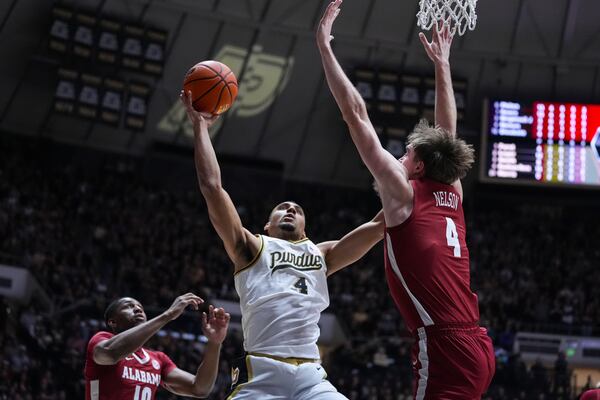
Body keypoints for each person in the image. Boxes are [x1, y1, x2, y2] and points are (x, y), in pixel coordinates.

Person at [316, 1, 494, 399]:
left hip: (445, 346)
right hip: (474, 341)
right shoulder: (453, 191)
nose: (398, 157)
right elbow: (447, 131)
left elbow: (356, 115)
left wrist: (325, 49)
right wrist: (442, 65)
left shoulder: (404, 195)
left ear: (415, 169)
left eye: (406, 154)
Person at [180, 90, 384, 399]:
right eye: (283, 207)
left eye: (297, 210)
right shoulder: (250, 246)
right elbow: (212, 187)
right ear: (266, 224)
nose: (290, 210)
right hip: (261, 371)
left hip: (311, 376)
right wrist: (200, 127)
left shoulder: (322, 253)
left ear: (305, 228)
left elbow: (380, 226)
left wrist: (412, 180)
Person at [84, 293, 230, 399]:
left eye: (139, 306)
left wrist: (215, 343)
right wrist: (168, 315)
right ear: (112, 322)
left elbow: (199, 388)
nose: (137, 309)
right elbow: (111, 354)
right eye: (128, 306)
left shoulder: (157, 359)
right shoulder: (101, 340)